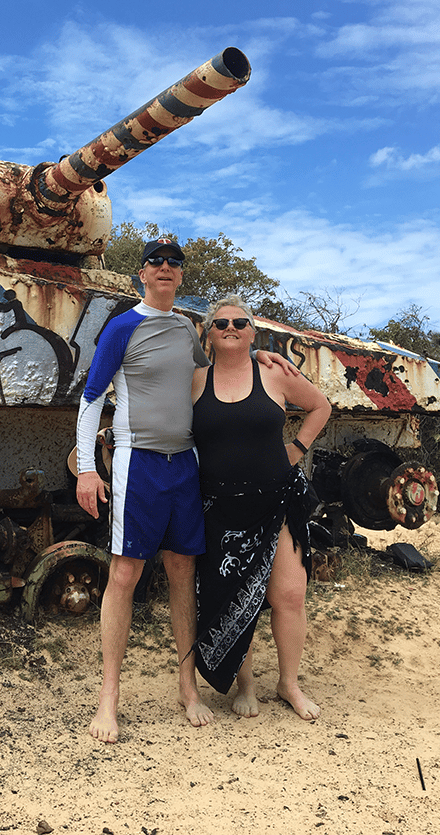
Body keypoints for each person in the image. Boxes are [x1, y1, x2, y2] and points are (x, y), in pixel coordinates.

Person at [76, 240, 296, 743]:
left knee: (182, 571)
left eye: (175, 264)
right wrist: (88, 470)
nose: (166, 269)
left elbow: (216, 368)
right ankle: (109, 697)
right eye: (157, 262)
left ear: (180, 276)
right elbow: (92, 398)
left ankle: (187, 687)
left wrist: (258, 352)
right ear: (141, 273)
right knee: (125, 574)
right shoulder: (123, 327)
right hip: (139, 463)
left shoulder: (184, 327)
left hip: (186, 466)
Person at [191, 295, 331, 721]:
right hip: (220, 508)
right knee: (234, 597)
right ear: (209, 335)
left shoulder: (273, 372)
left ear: (253, 332)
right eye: (220, 324)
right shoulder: (195, 380)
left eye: (239, 322)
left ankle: (288, 684)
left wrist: (298, 447)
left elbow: (320, 406)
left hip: (277, 501)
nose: (229, 328)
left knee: (289, 593)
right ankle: (246, 684)